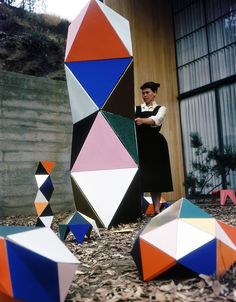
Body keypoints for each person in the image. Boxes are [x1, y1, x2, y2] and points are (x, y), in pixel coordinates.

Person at [135, 81, 173, 214]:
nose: (145, 95)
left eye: (148, 92)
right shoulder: (137, 109)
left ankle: (156, 209)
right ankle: (138, 210)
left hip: (156, 145)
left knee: (155, 177)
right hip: (139, 145)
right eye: (143, 93)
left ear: (155, 93)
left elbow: (156, 120)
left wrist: (142, 121)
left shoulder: (161, 108)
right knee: (139, 177)